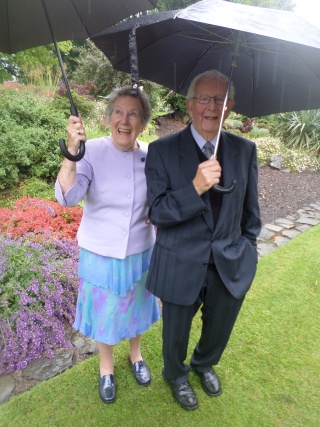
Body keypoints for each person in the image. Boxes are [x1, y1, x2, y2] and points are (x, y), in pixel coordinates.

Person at [145, 70, 261, 411]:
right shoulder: (162, 150)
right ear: (190, 104)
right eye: (203, 99)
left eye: (220, 99)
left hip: (229, 259)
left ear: (230, 107)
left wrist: (248, 250)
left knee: (219, 327)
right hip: (180, 260)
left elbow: (251, 213)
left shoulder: (243, 150)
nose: (211, 107)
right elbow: (157, 212)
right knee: (175, 333)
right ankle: (176, 374)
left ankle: (203, 363)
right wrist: (195, 187)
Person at [55, 85, 160, 404]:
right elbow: (66, 198)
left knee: (138, 304)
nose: (124, 120)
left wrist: (157, 213)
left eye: (133, 114)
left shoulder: (151, 155)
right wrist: (71, 151)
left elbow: (161, 197)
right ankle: (105, 367)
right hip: (101, 254)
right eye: (118, 112)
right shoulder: (92, 151)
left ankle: (136, 354)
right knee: (106, 313)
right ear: (108, 117)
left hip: (141, 251)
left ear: (143, 122)